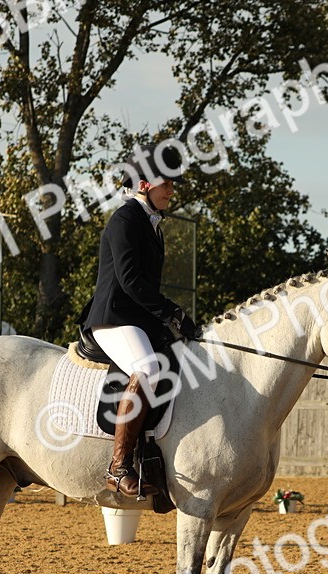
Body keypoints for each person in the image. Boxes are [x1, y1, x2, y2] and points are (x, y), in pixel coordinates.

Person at [77, 144, 198, 496]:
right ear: (144, 184)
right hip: (113, 317)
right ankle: (118, 467)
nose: (171, 191)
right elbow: (130, 282)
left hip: (137, 319)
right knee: (147, 368)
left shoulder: (151, 223)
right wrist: (171, 311)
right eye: (167, 184)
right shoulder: (125, 219)